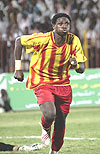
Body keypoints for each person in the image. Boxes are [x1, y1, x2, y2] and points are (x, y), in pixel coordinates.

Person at [14, 13, 87, 154]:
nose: (64, 26)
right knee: (50, 114)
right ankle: (45, 126)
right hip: (42, 80)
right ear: (53, 26)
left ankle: (54, 151)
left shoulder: (74, 41)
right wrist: (18, 69)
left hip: (63, 84)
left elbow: (82, 69)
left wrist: (76, 64)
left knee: (61, 121)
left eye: (67, 23)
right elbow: (19, 41)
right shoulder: (42, 39)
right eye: (60, 23)